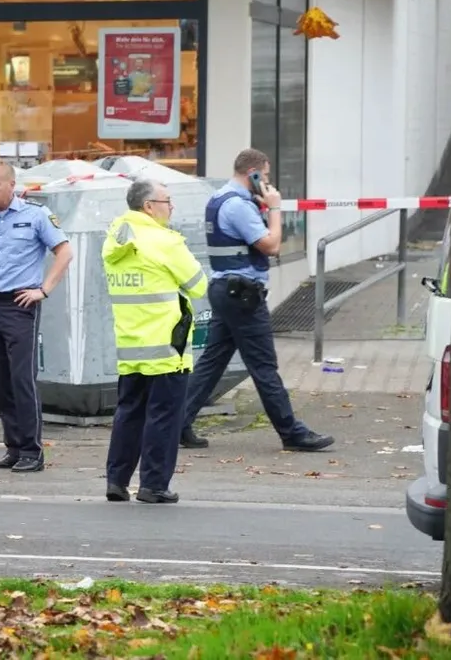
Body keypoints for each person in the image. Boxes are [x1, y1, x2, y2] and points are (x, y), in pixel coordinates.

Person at [179, 148, 334, 452]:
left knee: (212, 363)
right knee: (264, 365)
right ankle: (292, 433)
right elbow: (272, 245)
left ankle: (178, 424)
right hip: (243, 295)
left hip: (228, 290)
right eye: (264, 175)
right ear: (251, 172)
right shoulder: (238, 206)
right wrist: (274, 209)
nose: (266, 181)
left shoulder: (220, 197)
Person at [102, 179, 208, 504]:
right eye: (167, 201)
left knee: (128, 412)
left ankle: (117, 481)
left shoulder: (115, 237)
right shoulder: (164, 241)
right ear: (149, 206)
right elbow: (198, 285)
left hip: (131, 344)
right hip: (166, 346)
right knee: (164, 415)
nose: (171, 207)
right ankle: (154, 484)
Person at [0, 160, 74, 473]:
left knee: (22, 378)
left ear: (11, 185)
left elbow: (65, 252)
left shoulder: (34, 215)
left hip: (20, 303)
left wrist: (44, 289)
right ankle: (13, 446)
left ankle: (32, 449)